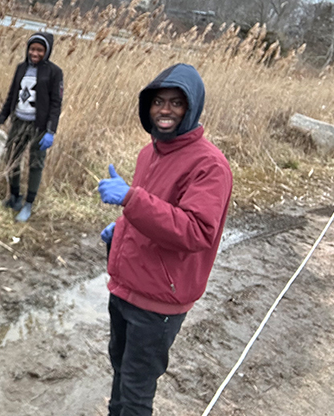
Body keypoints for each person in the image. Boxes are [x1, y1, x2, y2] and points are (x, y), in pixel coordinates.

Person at [97, 63, 233, 416]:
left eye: (176, 103)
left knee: (137, 391)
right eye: (158, 101)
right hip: (125, 287)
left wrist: (130, 199)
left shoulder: (209, 165)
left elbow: (195, 231)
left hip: (158, 302)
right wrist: (121, 228)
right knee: (120, 374)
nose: (165, 110)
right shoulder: (150, 152)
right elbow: (153, 213)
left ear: (192, 108)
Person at [0, 32, 63, 223]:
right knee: (12, 158)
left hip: (38, 126)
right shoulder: (21, 68)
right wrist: (0, 119)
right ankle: (14, 197)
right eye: (32, 49)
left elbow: (56, 104)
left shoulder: (54, 72)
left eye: (39, 50)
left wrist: (50, 131)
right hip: (18, 122)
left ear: (46, 52)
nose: (35, 53)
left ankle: (28, 203)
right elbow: (11, 95)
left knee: (35, 164)